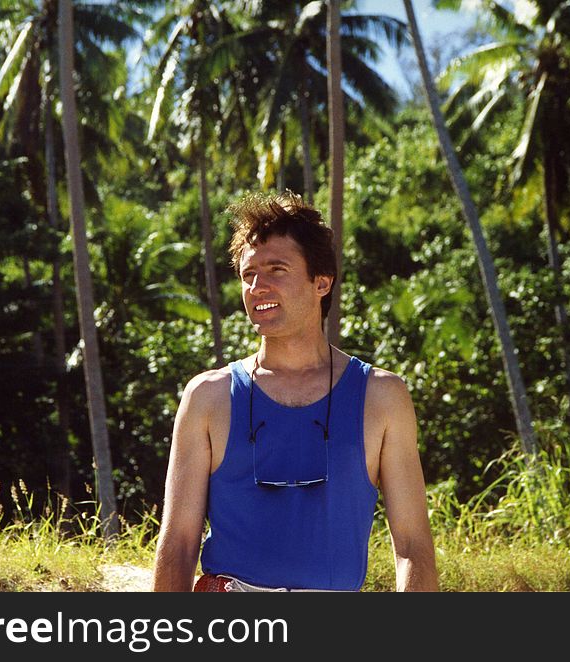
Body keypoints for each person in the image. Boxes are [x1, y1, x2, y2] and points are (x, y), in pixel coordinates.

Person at [152, 191, 438, 592]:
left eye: (276, 270)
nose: (257, 287)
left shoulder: (382, 396)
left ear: (321, 282)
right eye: (248, 275)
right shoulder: (207, 397)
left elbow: (411, 545)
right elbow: (178, 542)